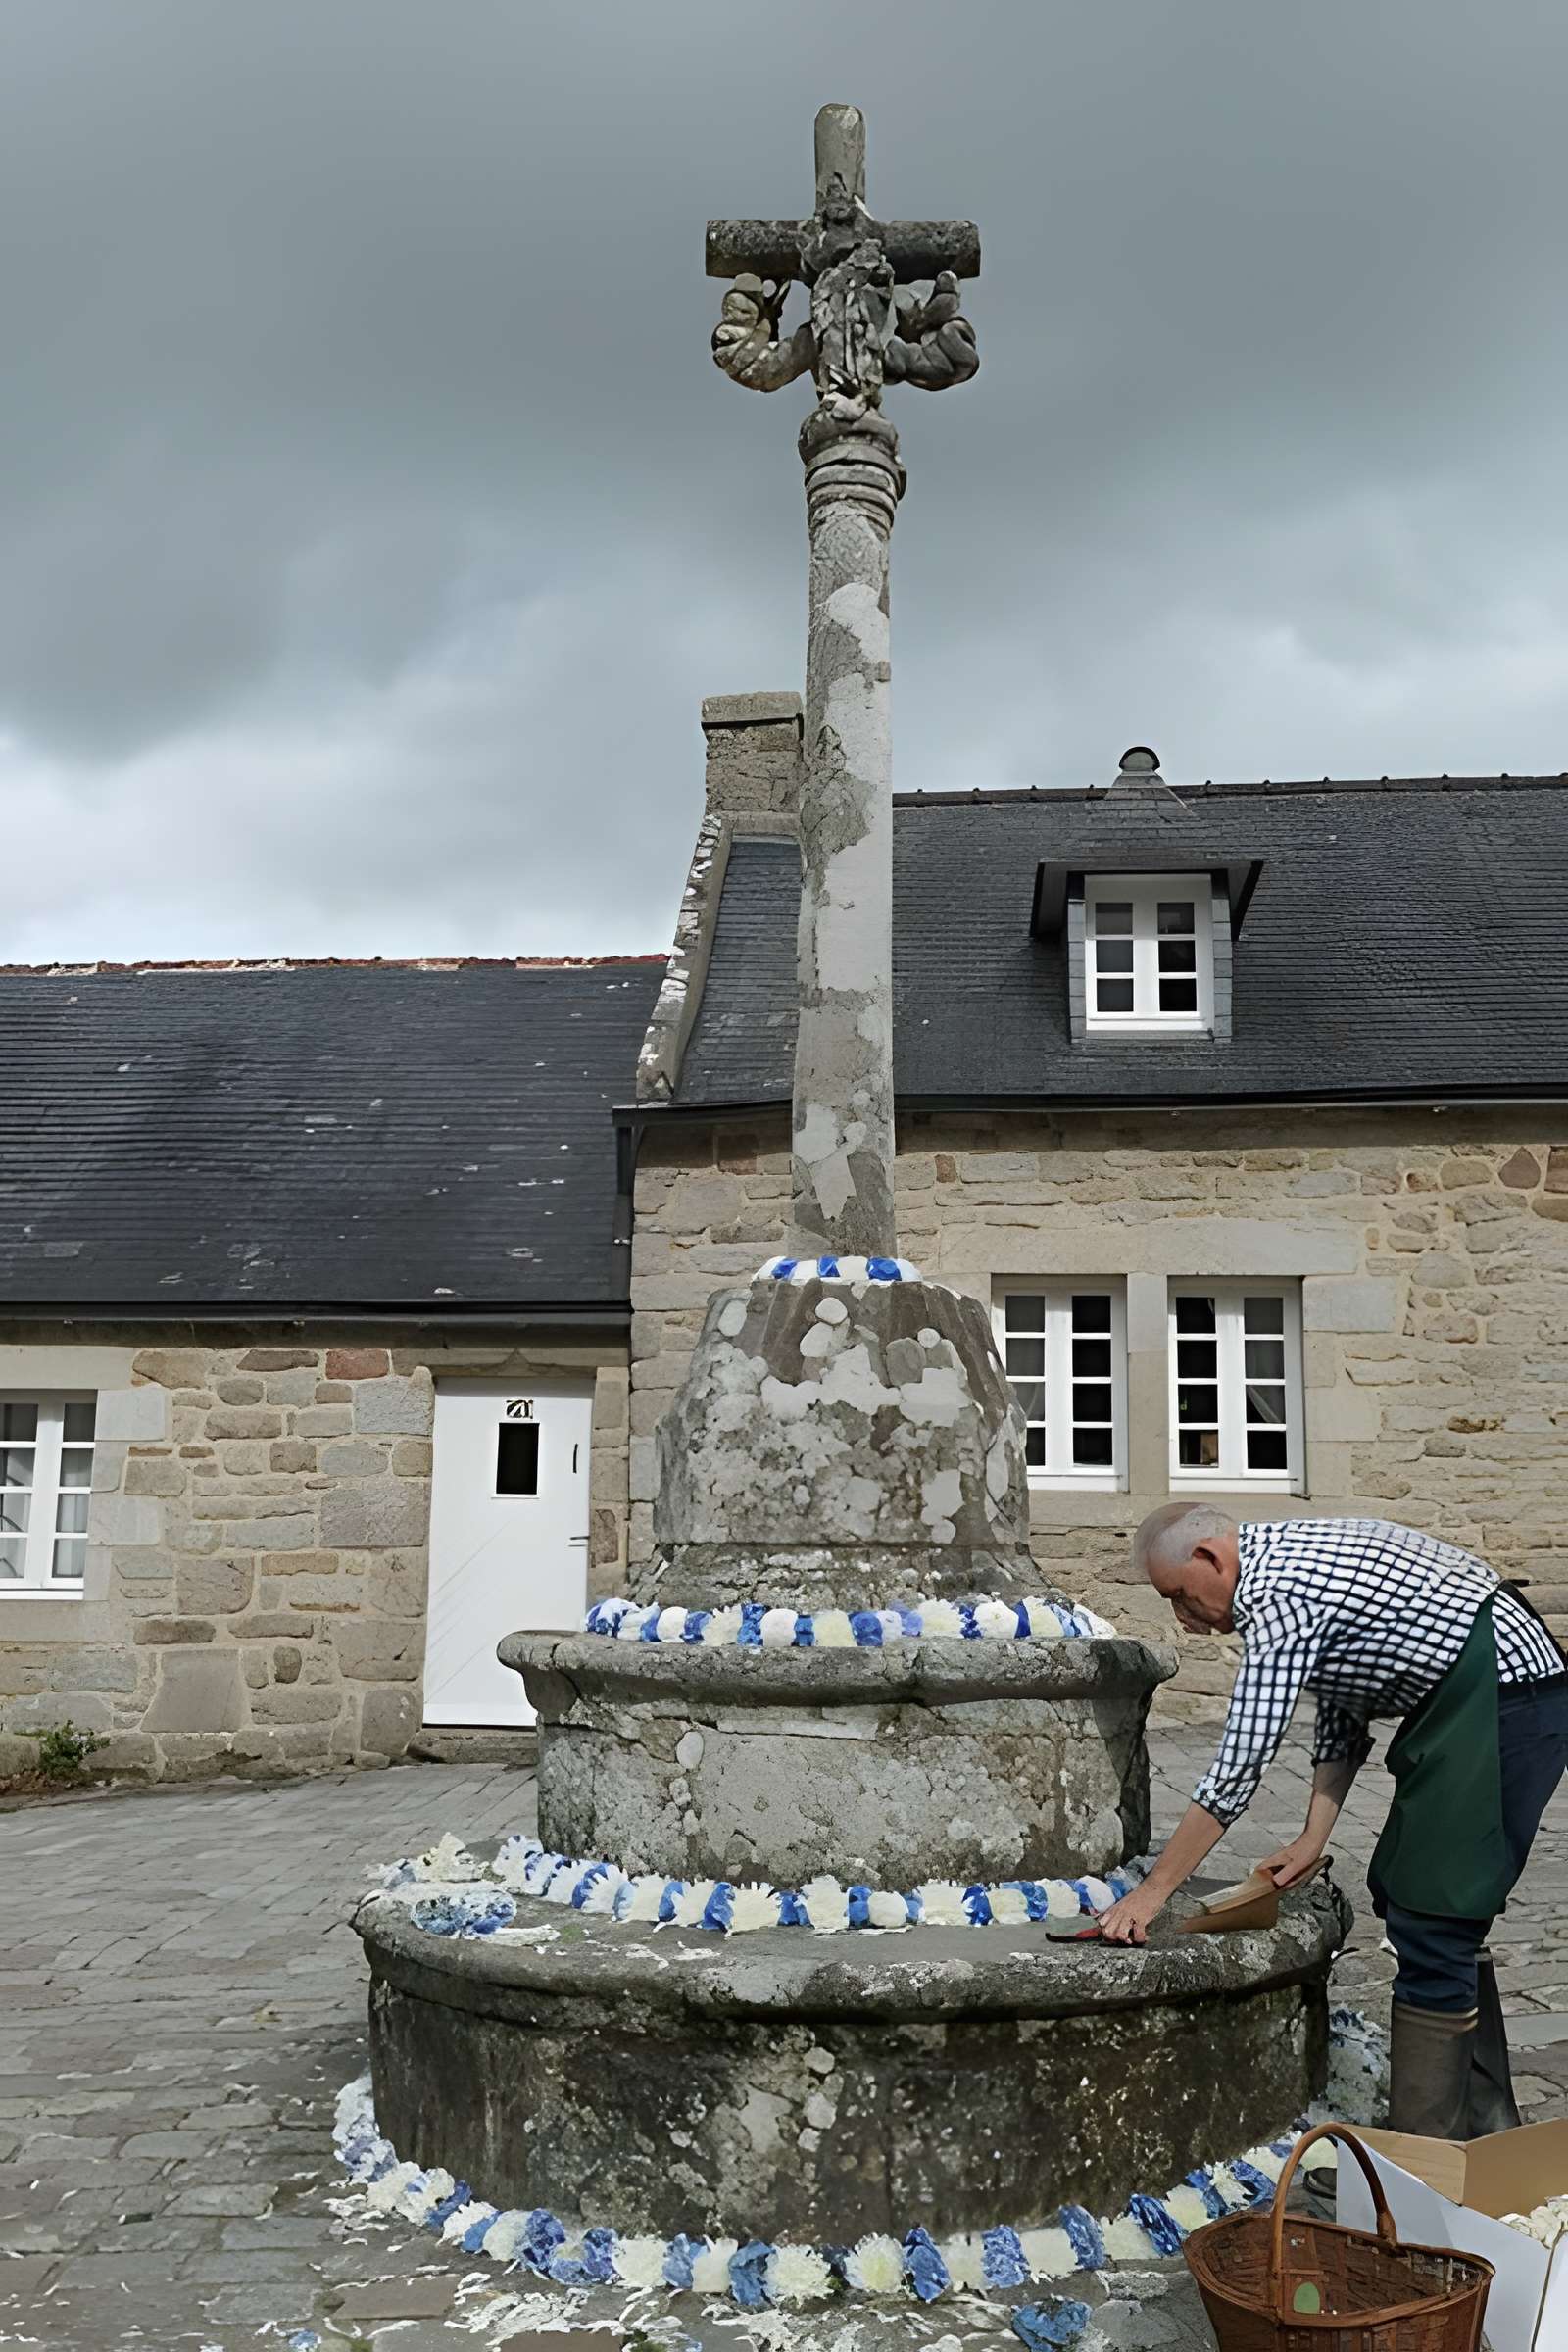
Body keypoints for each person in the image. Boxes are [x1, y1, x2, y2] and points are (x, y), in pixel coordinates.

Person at [1100, 1503, 1568, 2138]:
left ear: (1211, 1557)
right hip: (1480, 1696)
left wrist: (1152, 1893)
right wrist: (1313, 1836)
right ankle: (1485, 2129)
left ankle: (1422, 2159)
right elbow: (1345, 1710)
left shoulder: (1280, 1593)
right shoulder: (1292, 1570)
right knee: (1417, 1897)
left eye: (1180, 1596)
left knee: (1436, 1913)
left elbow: (1241, 1761)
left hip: (1509, 1697)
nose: (1184, 1619)